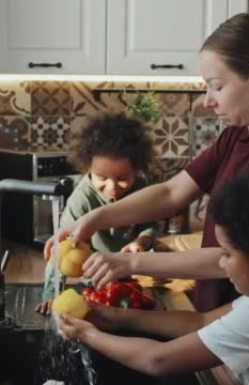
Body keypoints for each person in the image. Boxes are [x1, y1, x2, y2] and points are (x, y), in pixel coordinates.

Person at [49, 13, 249, 312]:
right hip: (220, 320)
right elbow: (171, 193)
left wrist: (130, 261)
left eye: (217, 86)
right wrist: (94, 219)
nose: (208, 100)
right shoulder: (235, 137)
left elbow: (238, 257)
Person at [57, 170, 249, 385]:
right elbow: (198, 322)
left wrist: (89, 336)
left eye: (227, 253)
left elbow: (157, 360)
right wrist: (117, 317)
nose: (220, 263)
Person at [35, 112, 157, 315]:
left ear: (137, 168)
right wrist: (51, 294)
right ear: (87, 168)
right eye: (101, 177)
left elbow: (151, 225)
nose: (112, 187)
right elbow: (60, 250)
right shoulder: (81, 199)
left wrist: (141, 242)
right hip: (92, 280)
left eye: (123, 178)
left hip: (130, 275)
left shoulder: (142, 188)